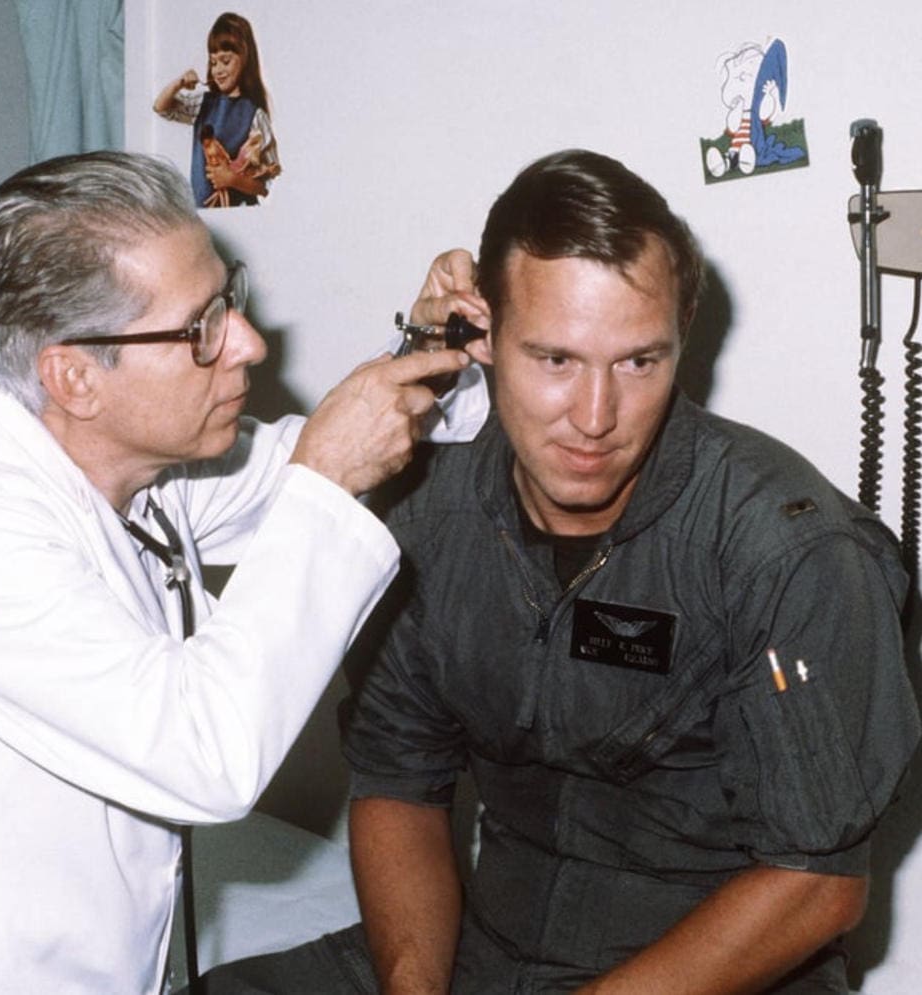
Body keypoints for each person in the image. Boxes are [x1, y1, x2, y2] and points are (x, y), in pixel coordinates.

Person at [198, 149, 921, 994]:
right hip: (489, 947)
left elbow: (818, 884)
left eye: (639, 362)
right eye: (554, 360)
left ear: (682, 337)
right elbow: (399, 781)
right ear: (484, 335)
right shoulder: (427, 516)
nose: (595, 416)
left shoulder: (791, 552)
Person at [0, 149, 482, 995]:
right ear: (73, 375)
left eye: (231, 299)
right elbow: (204, 754)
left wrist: (431, 344)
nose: (248, 342)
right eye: (201, 328)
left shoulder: (136, 465)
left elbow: (323, 456)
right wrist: (326, 475)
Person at [154, 11, 281, 208]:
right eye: (213, 62)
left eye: (226, 61)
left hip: (239, 216)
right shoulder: (204, 105)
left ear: (245, 58)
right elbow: (161, 108)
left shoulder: (254, 115)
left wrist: (233, 180)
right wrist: (178, 84)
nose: (218, 70)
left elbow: (268, 185)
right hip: (203, 215)